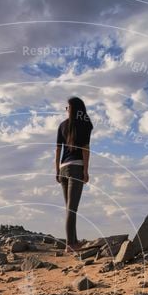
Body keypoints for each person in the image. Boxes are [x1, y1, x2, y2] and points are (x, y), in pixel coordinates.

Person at [55, 96, 93, 253]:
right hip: (76, 167)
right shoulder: (85, 124)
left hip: (63, 168)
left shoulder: (62, 126)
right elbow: (85, 149)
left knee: (69, 208)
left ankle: (74, 241)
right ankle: (70, 244)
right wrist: (85, 170)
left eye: (67, 108)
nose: (66, 110)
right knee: (72, 209)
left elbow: (58, 150)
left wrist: (57, 170)